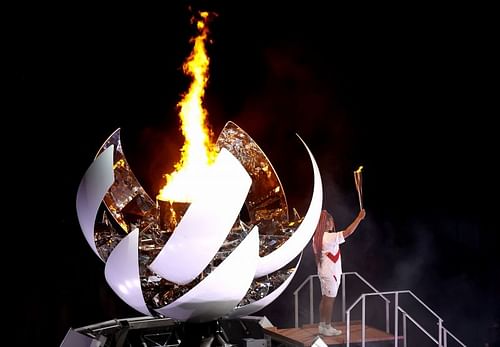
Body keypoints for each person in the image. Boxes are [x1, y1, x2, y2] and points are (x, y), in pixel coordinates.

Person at [313, 208, 366, 336]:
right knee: (329, 300)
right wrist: (359, 218)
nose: (332, 223)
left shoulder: (316, 238)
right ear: (326, 223)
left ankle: (322, 325)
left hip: (324, 272)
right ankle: (327, 327)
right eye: (331, 221)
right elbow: (348, 232)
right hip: (331, 274)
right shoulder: (328, 237)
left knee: (325, 298)